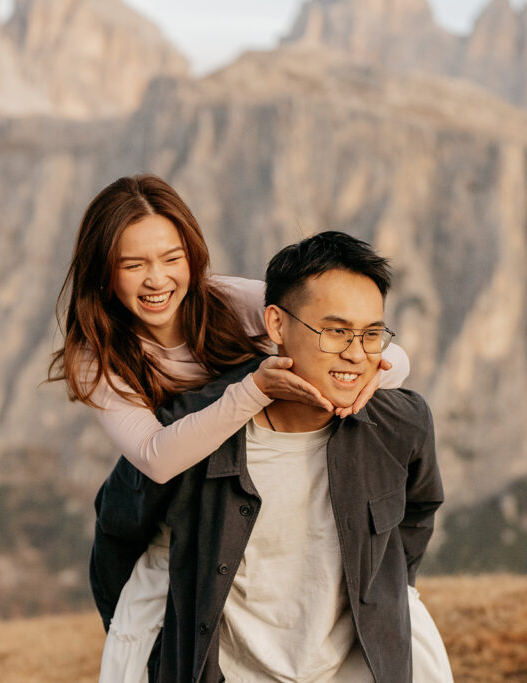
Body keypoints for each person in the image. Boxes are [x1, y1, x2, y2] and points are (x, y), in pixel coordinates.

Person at [47, 175, 411, 679]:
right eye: (134, 265)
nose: (157, 279)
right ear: (105, 272)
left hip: (249, 476)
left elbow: (385, 352)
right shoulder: (97, 352)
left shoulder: (229, 300)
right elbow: (156, 457)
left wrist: (363, 385)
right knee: (145, 621)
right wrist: (254, 389)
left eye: (172, 259)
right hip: (164, 492)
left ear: (193, 258)